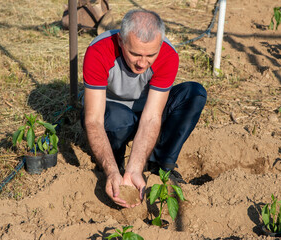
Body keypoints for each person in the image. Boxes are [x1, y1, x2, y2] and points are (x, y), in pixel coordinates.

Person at [81, 9, 207, 208]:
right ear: (121, 41)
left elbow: (151, 117)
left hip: (145, 109)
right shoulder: (99, 50)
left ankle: (160, 164)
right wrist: (113, 171)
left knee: (193, 94)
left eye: (150, 55)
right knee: (118, 118)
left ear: (160, 44)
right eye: (134, 54)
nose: (142, 63)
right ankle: (115, 163)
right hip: (112, 111)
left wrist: (136, 168)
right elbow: (93, 119)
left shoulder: (168, 54)